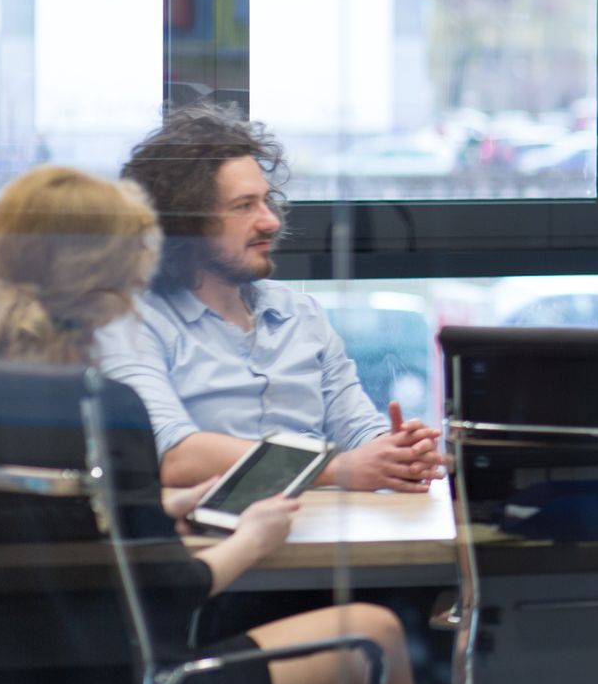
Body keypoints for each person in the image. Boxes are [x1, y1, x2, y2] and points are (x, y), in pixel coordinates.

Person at [0, 166, 422, 684]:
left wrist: (158, 503)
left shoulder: (15, 392)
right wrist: (251, 534)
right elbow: (167, 588)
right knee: (373, 638)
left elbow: (46, 536)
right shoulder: (102, 408)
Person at [92, 104, 445, 489]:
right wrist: (336, 470)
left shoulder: (299, 313)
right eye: (244, 206)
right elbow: (173, 455)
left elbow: (357, 427)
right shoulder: (133, 321)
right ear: (184, 224)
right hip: (216, 536)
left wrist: (395, 452)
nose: (271, 221)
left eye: (266, 200)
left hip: (323, 526)